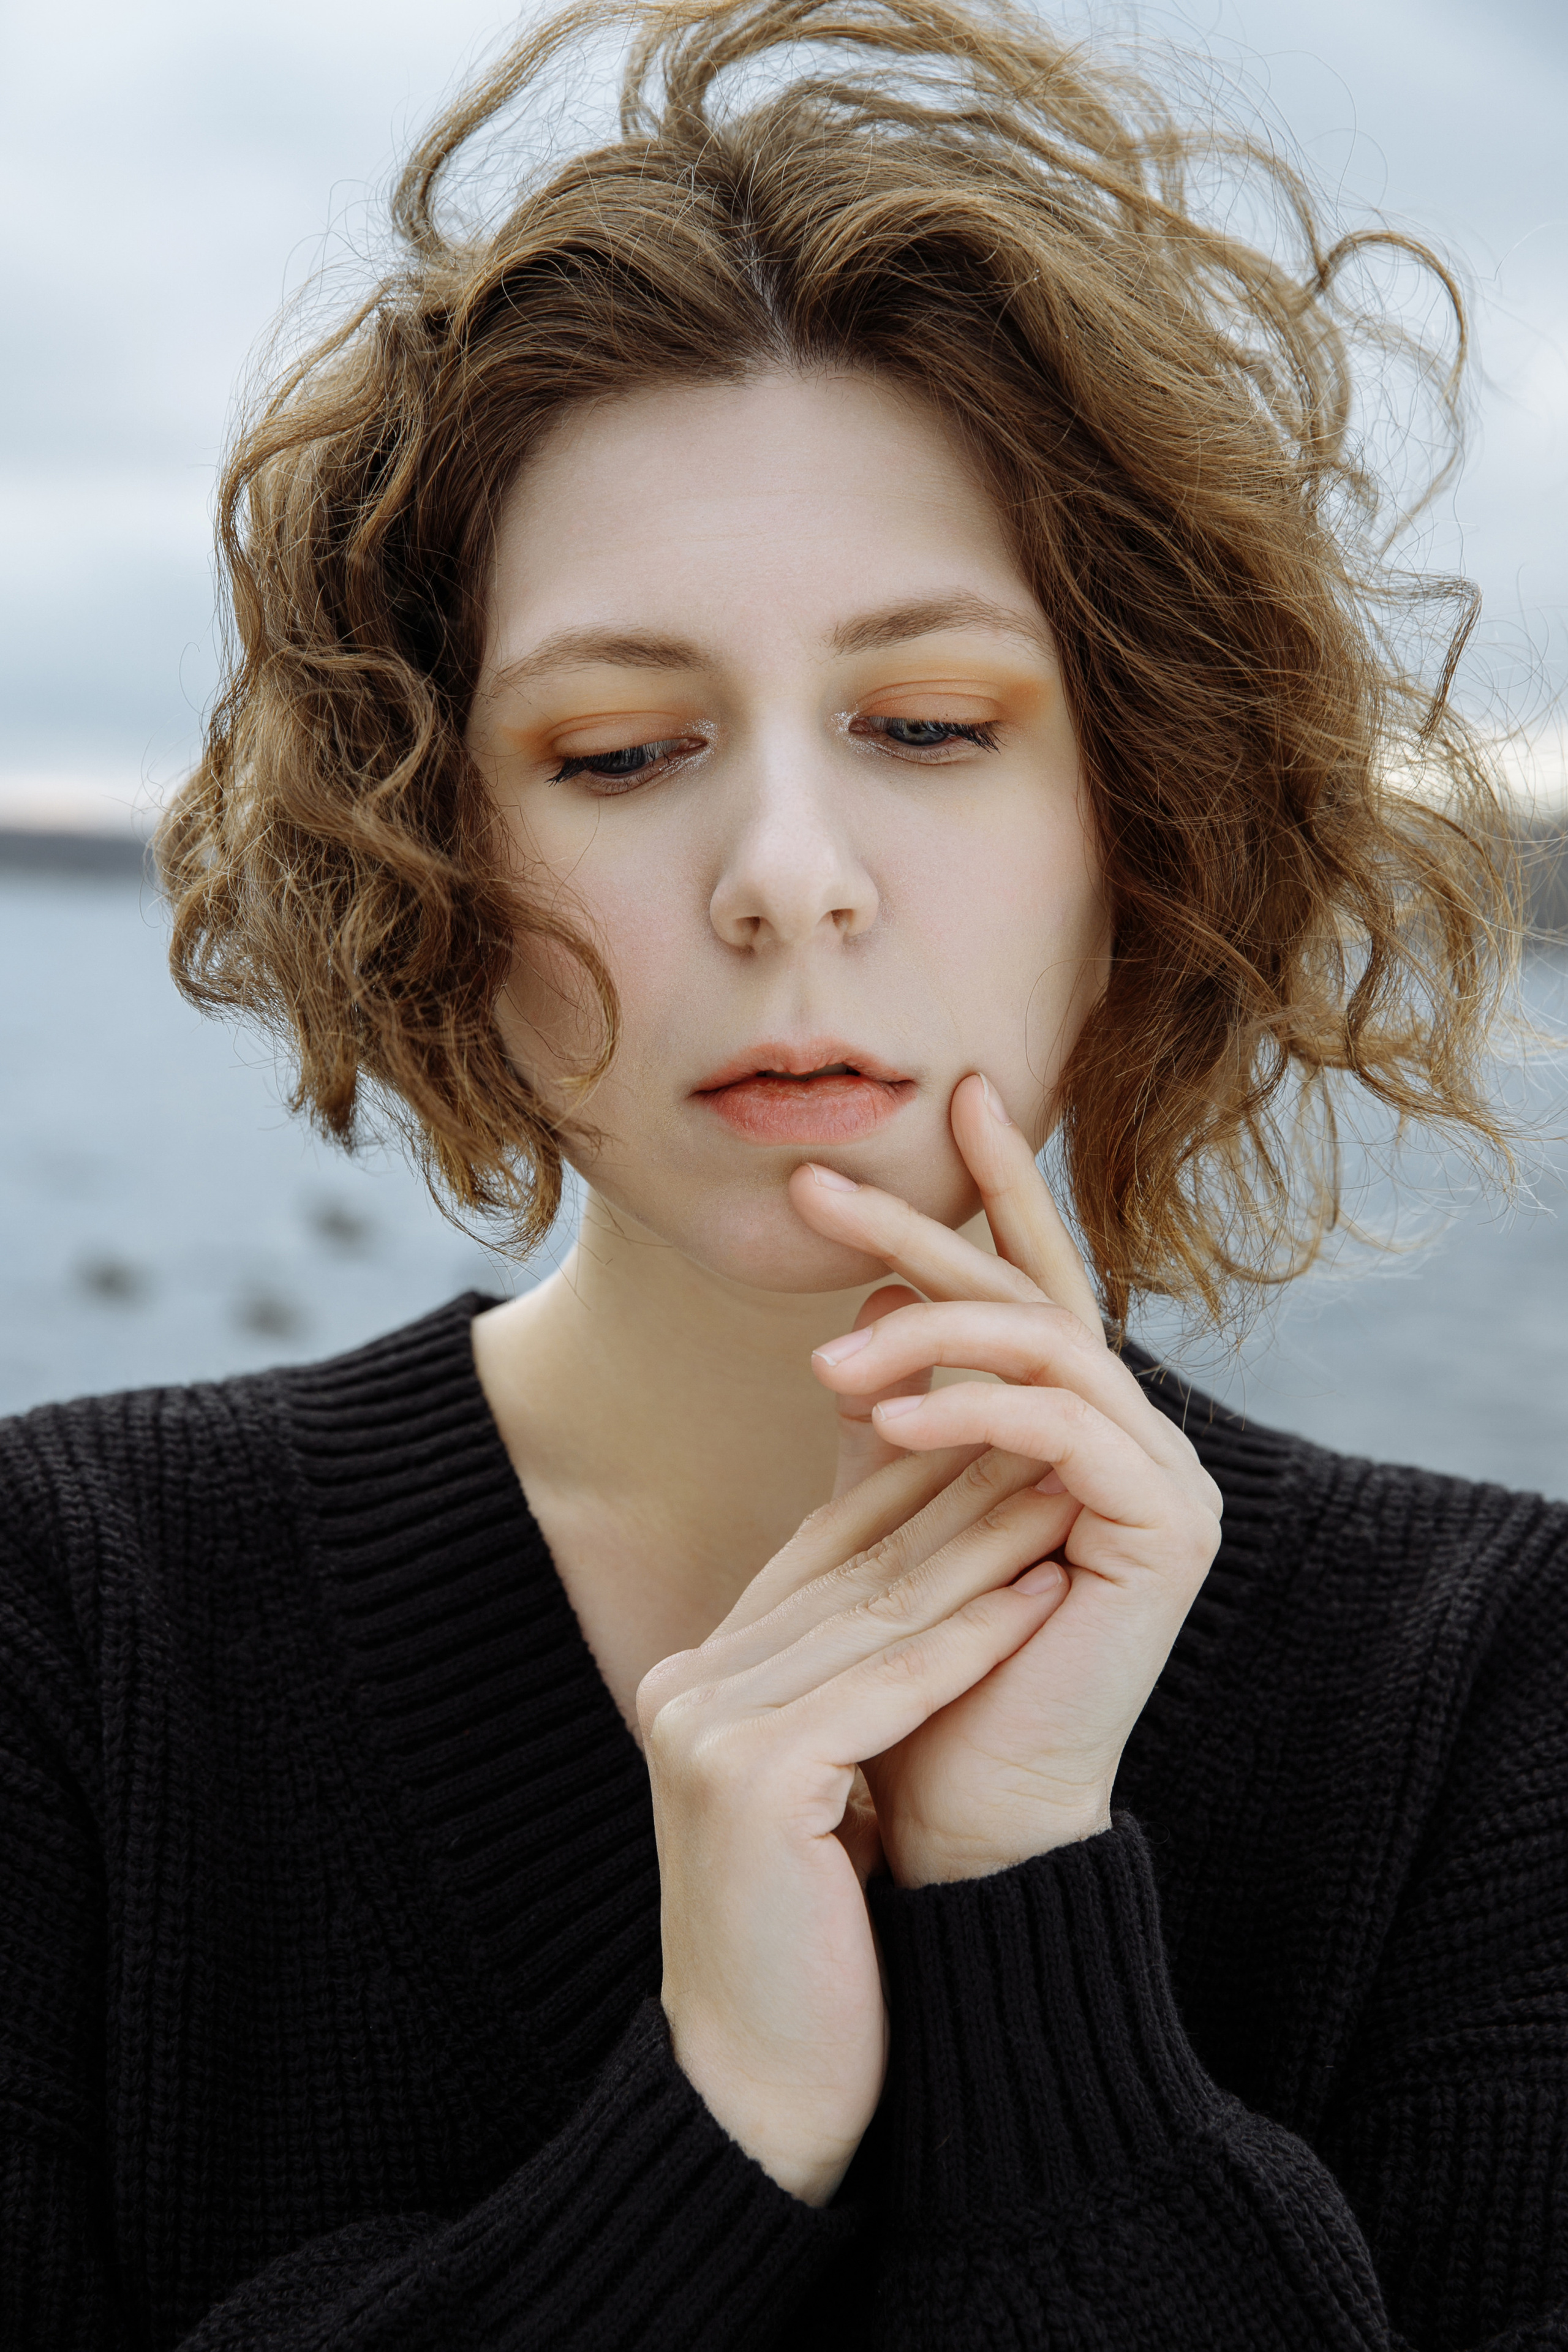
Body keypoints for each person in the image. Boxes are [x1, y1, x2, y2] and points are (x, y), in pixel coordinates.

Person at [3, 1, 1563, 2344]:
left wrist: (1024, 1905)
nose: (789, 876)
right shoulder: (72, 1622)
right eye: (622, 753)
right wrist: (718, 2121)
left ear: (1140, 814)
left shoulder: (1490, 1692)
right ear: (432, 845)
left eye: (930, 727)